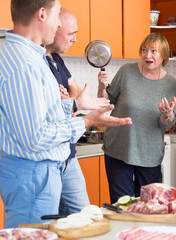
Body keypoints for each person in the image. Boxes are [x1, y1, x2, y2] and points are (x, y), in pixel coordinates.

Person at [0, 0, 132, 228]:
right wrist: (88, 120)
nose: (59, 23)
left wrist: (73, 105)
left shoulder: (33, 57)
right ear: (42, 14)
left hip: (40, 171)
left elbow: (40, 113)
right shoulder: (24, 64)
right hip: (33, 174)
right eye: (57, 16)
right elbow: (35, 137)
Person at [97, 33, 176, 203]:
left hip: (149, 154)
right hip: (119, 149)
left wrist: (167, 115)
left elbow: (164, 123)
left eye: (154, 51)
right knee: (122, 207)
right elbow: (105, 103)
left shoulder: (170, 83)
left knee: (149, 206)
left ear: (163, 55)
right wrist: (102, 86)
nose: (147, 55)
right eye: (144, 50)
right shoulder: (127, 71)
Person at [46, 8, 105, 215]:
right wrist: (72, 102)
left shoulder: (57, 59)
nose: (75, 39)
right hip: (48, 159)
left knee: (84, 217)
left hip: (68, 156)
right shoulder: (36, 62)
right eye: (71, 33)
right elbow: (52, 105)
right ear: (54, 27)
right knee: (48, 224)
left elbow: (77, 94)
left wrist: (71, 101)